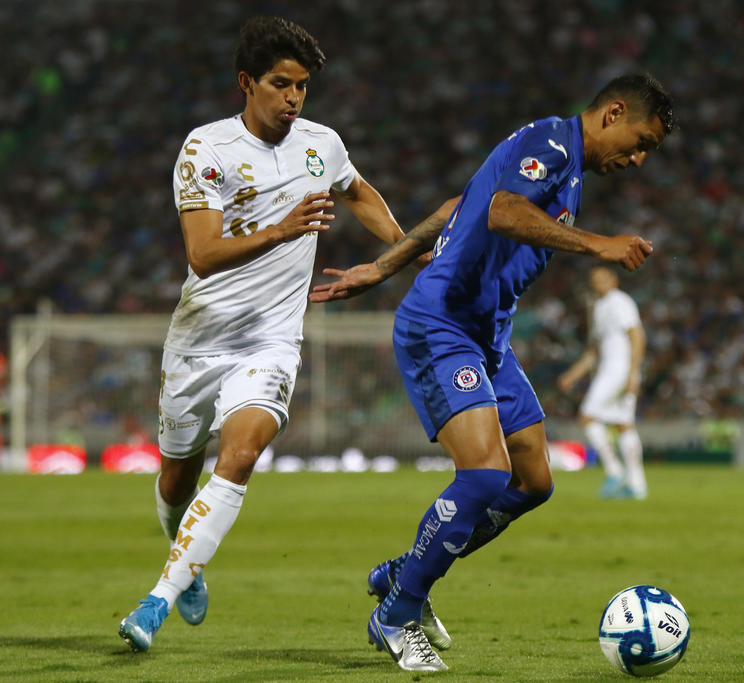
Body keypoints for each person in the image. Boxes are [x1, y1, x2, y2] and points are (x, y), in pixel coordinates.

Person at [312, 73, 673, 672]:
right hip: (443, 325)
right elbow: (502, 212)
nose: (638, 160)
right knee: (484, 474)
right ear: (613, 113)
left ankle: (405, 572)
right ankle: (398, 614)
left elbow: (460, 208)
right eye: (641, 143)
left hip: (487, 337)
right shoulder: (551, 144)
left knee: (534, 481)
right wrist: (598, 244)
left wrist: (383, 265)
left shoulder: (568, 167)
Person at [117, 16, 425, 653]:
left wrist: (403, 248)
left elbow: (358, 191)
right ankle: (186, 552)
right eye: (281, 84)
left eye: (302, 86)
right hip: (199, 339)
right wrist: (282, 229)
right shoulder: (206, 150)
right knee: (176, 481)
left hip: (271, 340)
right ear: (246, 83)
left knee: (240, 456)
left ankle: (158, 599)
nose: (294, 97)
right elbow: (202, 254)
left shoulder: (322, 144)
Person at [557, 266, 648, 499]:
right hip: (612, 369)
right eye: (595, 279)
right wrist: (573, 375)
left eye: (603, 278)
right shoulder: (598, 307)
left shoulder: (620, 301)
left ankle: (614, 470)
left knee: (587, 415)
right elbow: (594, 350)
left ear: (614, 280)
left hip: (619, 368)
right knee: (624, 424)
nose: (599, 283)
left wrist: (633, 372)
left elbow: (637, 335)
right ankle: (637, 485)